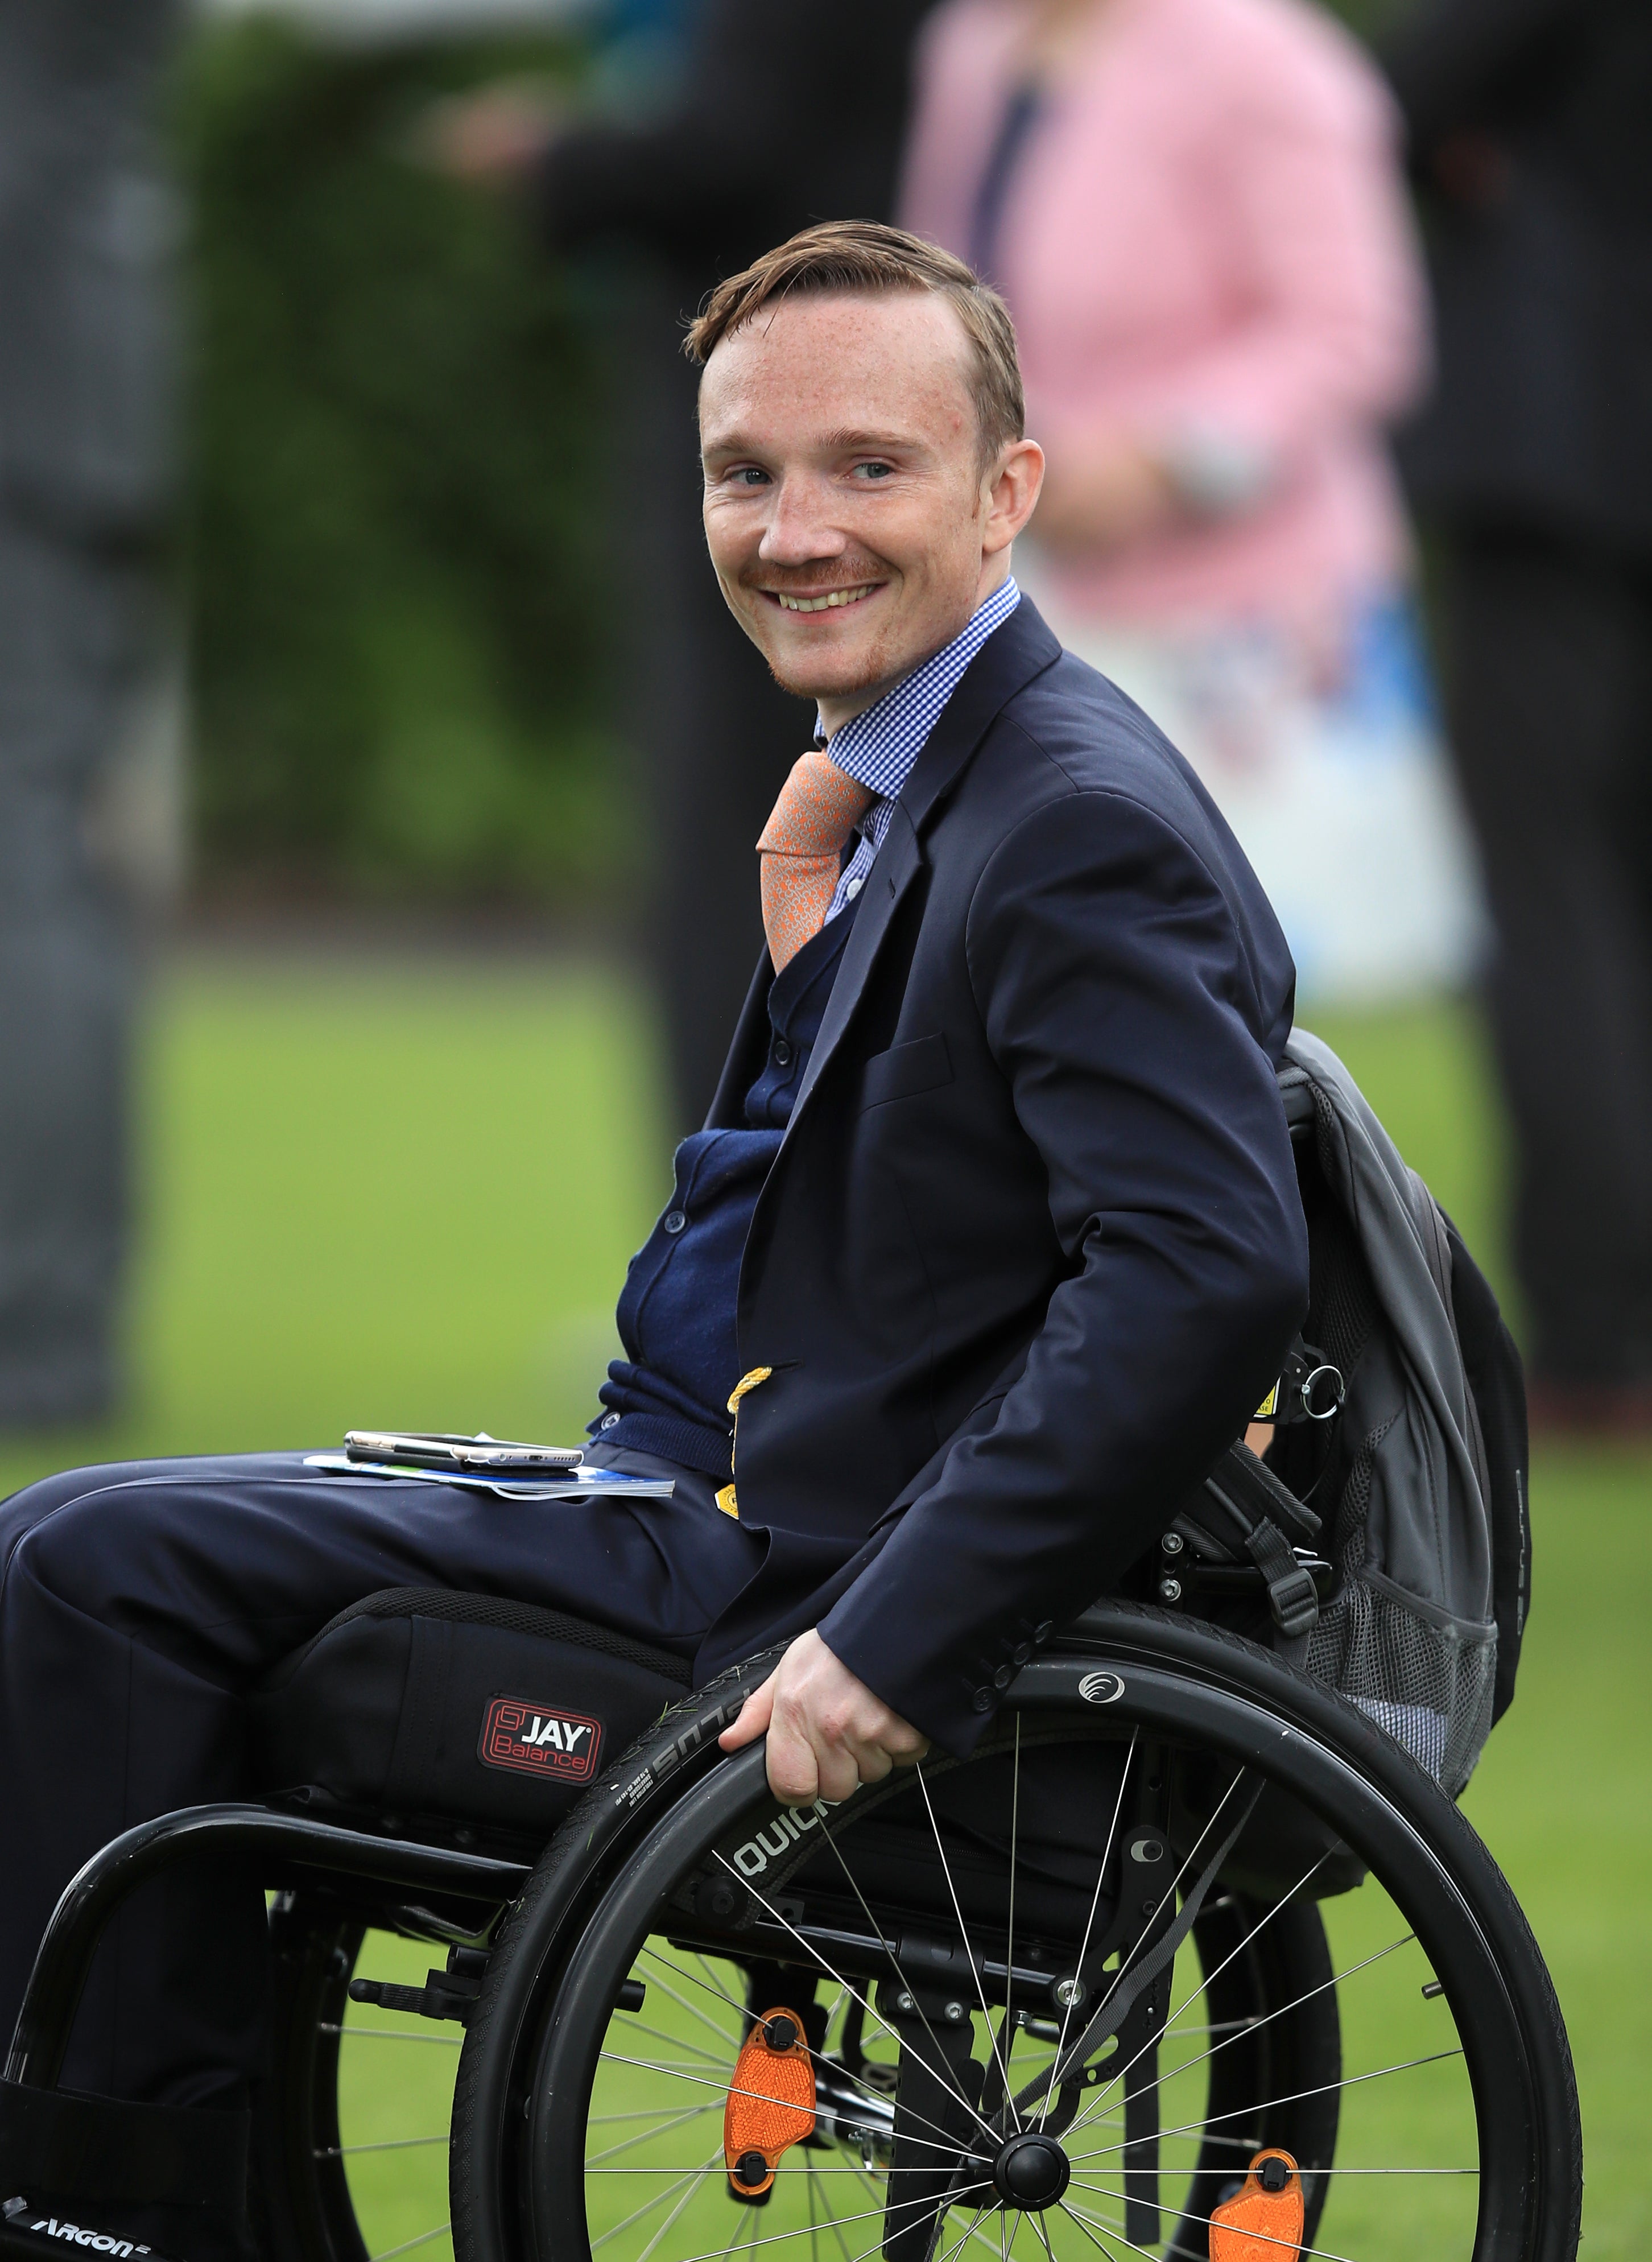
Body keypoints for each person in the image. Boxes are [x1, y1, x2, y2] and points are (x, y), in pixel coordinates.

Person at [0, 225, 1306, 2233]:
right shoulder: (939, 790)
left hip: (794, 1569)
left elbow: (1202, 1269)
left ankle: (134, 2208)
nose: (793, 529)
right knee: (67, 1543)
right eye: (743, 473)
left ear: (1005, 491)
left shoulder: (1065, 820)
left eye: (867, 466)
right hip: (722, 1485)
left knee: (92, 1567)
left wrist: (892, 1638)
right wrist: (817, 965)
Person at [899, 0, 1482, 1002]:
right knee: (1034, 979)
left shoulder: (1265, 58)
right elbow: (933, 296)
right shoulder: (969, 48)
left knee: (1245, 1009)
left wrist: (1164, 460)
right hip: (1027, 604)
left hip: (1244, 622)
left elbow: (1356, 334)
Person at [430, 0, 940, 1128]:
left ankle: (735, 1241)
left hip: (781, 418)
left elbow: (733, 143)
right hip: (857, 410)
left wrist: (551, 155)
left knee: (747, 846)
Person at [1383, 0, 1652, 1430]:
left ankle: (1603, 1334)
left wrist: (1469, 151)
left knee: (1550, 893)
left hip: (1564, 448)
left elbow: (1400, 98)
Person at [0, 0, 179, 1423]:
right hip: (66, 408)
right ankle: (53, 1325)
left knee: (25, 863)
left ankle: (41, 1330)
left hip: (31, 424)